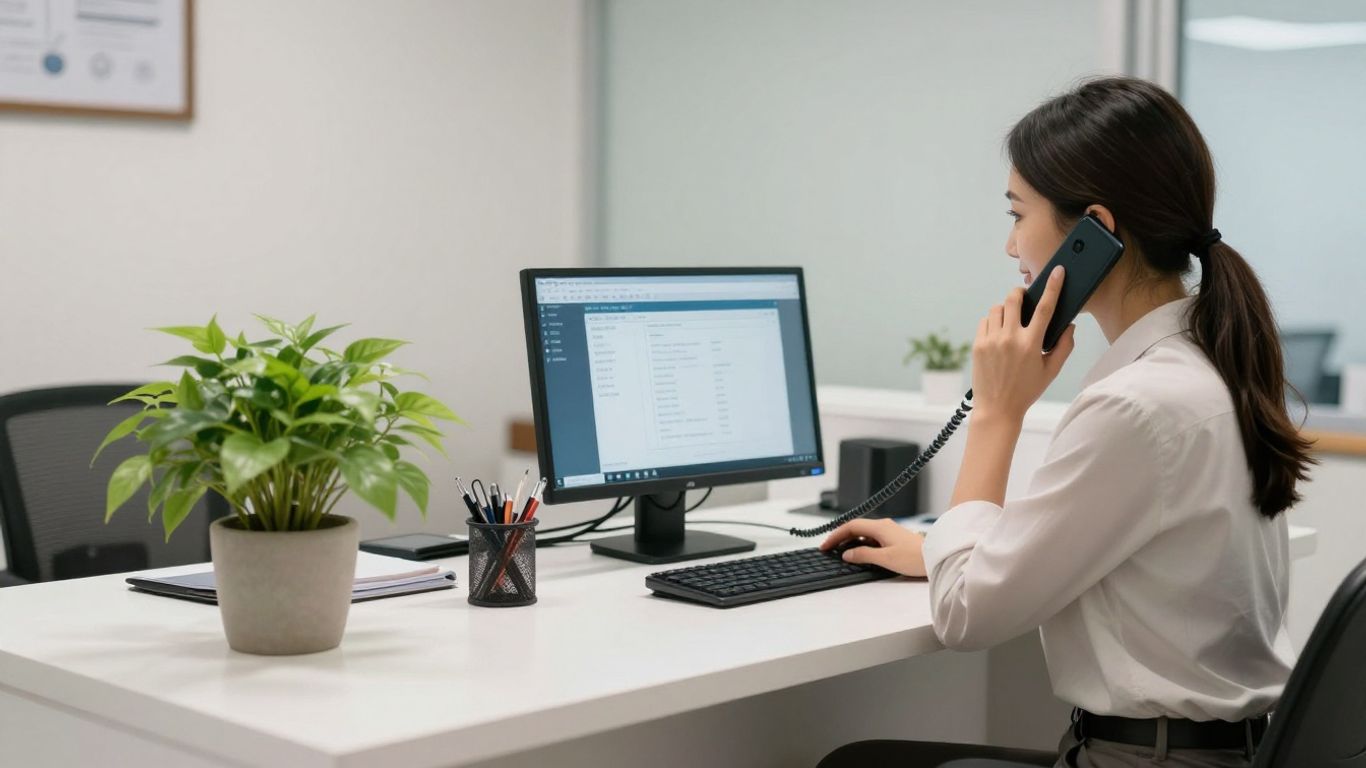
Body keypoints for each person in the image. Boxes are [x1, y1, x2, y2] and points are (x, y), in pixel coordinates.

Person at [815, 76, 1314, 768]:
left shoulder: (1136, 407)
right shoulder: (1205, 366)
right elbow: (1060, 544)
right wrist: (934, 551)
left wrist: (996, 411)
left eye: (1018, 214)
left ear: (1094, 233)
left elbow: (965, 618)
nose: (1011, 247)